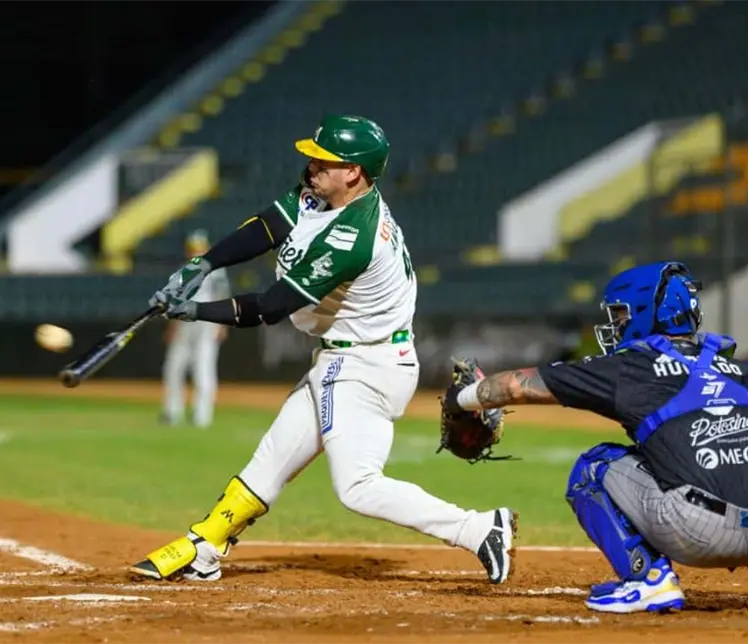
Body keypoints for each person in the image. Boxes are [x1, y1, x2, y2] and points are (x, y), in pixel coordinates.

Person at [130, 114, 515, 584]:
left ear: (353, 172)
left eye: (323, 161)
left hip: (363, 364)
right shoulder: (323, 194)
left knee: (357, 486)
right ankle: (204, 548)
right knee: (272, 459)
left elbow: (271, 307)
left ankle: (478, 528)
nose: (311, 167)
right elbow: (268, 226)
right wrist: (204, 264)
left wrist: (193, 310)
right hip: (351, 357)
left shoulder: (353, 236)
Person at [442, 261, 748, 613]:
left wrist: (461, 399)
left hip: (697, 532)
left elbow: (516, 386)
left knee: (593, 467)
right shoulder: (747, 372)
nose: (617, 324)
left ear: (647, 312)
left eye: (621, 314)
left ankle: (649, 578)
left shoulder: (630, 368)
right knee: (747, 462)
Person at [160, 230, 231, 428]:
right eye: (192, 248)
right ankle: (172, 412)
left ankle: (202, 415)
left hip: (207, 321)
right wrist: (172, 326)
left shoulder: (216, 270)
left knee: (203, 368)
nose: (194, 251)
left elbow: (222, 297)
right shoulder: (183, 269)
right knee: (174, 367)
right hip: (184, 322)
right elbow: (175, 300)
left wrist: (222, 325)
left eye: (198, 247)